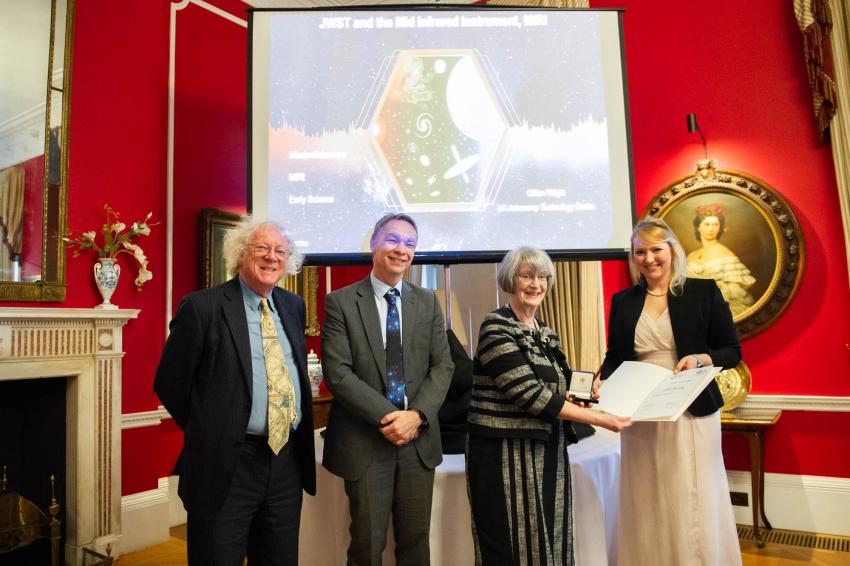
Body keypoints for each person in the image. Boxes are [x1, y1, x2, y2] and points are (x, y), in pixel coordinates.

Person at [154, 220, 316, 566]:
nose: (272, 257)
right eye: (261, 248)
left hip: (285, 462)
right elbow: (170, 383)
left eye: (280, 251)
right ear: (240, 254)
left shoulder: (292, 306)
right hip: (226, 467)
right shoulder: (202, 308)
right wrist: (213, 429)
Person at [466, 246, 632, 566]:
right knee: (509, 545)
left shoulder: (547, 334)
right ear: (510, 279)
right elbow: (530, 394)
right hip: (503, 454)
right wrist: (598, 419)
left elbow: (564, 386)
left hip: (546, 450)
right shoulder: (496, 327)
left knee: (551, 539)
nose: (536, 284)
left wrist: (591, 391)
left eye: (542, 277)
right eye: (526, 275)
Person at [600, 218, 742, 566]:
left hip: (690, 407)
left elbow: (731, 351)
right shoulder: (623, 300)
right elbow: (616, 356)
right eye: (640, 252)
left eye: (656, 249)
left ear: (672, 250)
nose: (649, 258)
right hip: (640, 409)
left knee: (691, 490)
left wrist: (699, 358)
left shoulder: (702, 291)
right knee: (646, 491)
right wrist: (602, 383)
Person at [321, 213, 454, 566]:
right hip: (366, 442)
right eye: (393, 240)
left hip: (418, 442)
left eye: (410, 244)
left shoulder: (427, 302)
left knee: (415, 545)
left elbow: (443, 366)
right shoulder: (341, 302)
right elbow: (338, 373)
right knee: (366, 545)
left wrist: (417, 416)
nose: (401, 250)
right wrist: (392, 419)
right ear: (373, 244)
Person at [685, 203, 756, 315]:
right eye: (707, 224)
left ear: (720, 227)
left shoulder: (726, 255)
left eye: (715, 224)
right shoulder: (691, 255)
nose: (711, 229)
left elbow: (735, 296)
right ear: (698, 227)